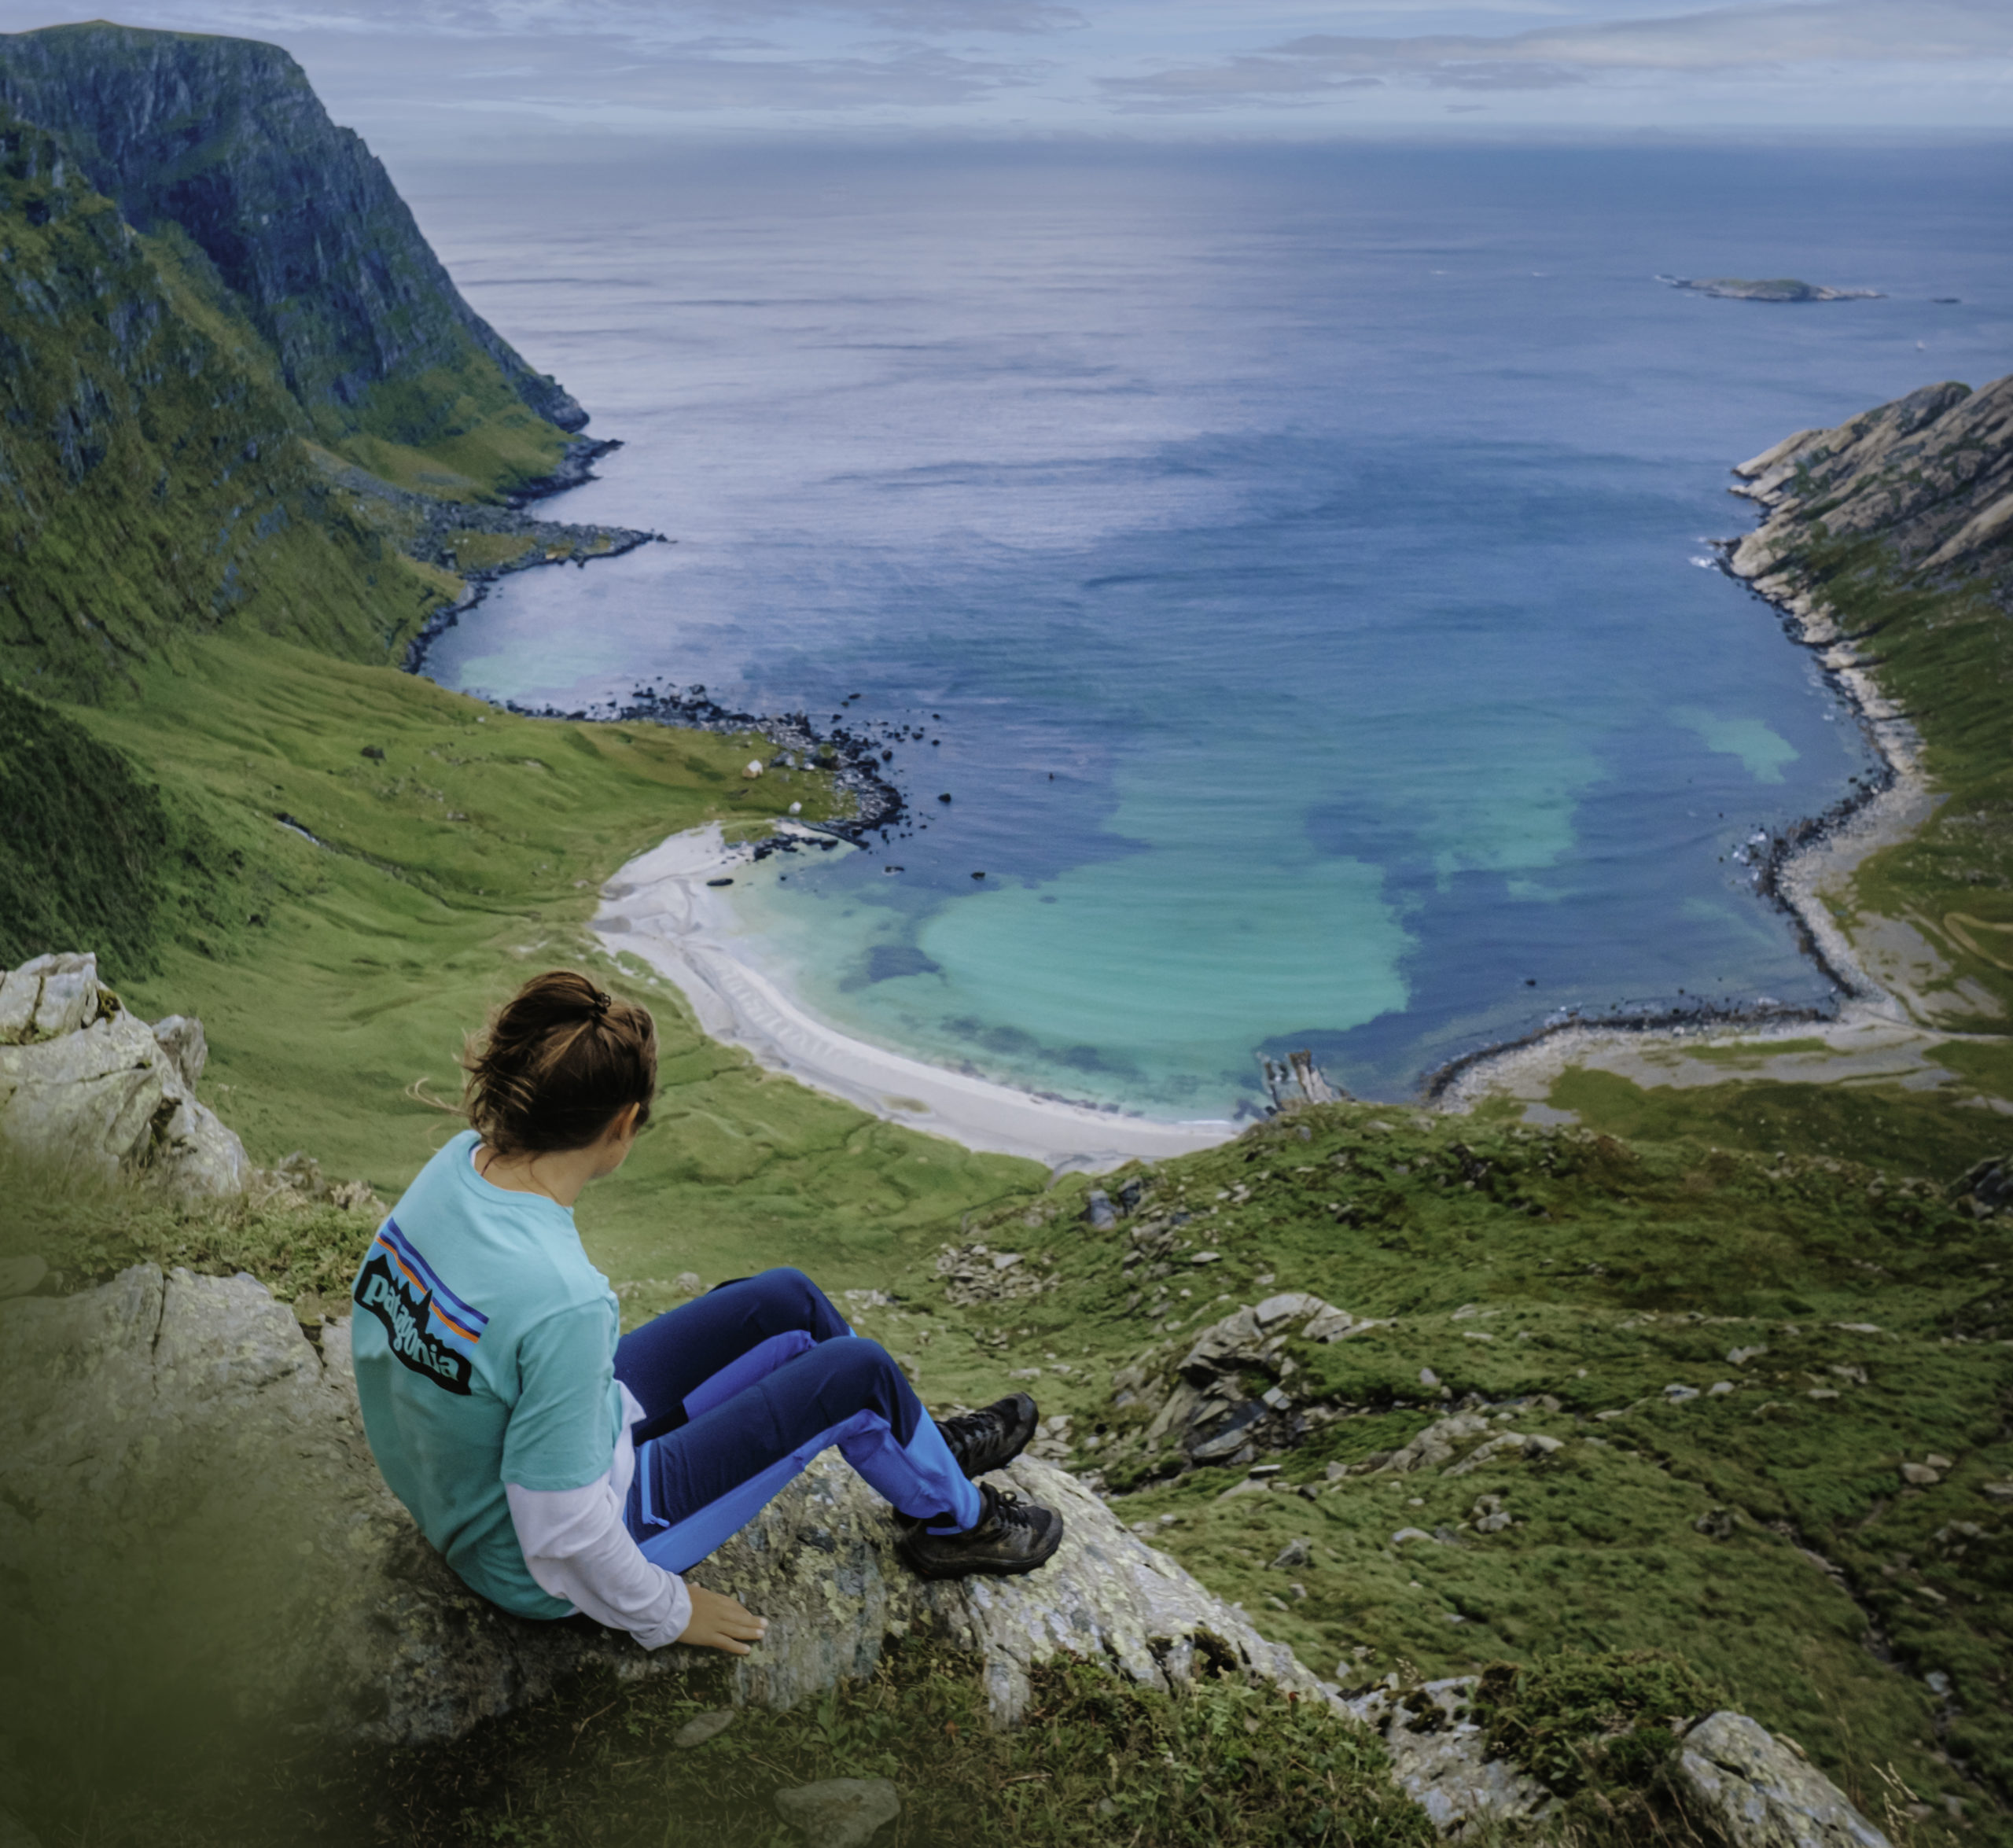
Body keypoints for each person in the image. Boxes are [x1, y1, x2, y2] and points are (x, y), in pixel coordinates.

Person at [348, 970, 1063, 1655]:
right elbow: (561, 1532)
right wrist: (669, 1610)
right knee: (860, 1374)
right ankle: (959, 1524)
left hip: (503, 1475)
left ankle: (920, 1461)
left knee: (790, 1299)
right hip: (540, 1566)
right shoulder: (563, 1298)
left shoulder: (458, 1164)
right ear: (623, 1125)